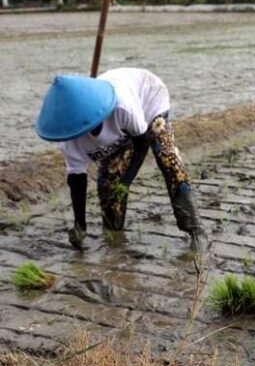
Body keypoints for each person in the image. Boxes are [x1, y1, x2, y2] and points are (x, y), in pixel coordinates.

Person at [35, 68, 206, 252]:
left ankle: (195, 228)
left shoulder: (121, 107)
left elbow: (141, 144)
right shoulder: (69, 138)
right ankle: (114, 232)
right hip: (124, 130)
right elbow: (77, 180)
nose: (87, 132)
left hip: (148, 101)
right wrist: (80, 224)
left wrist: (126, 182)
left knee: (167, 158)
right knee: (108, 183)